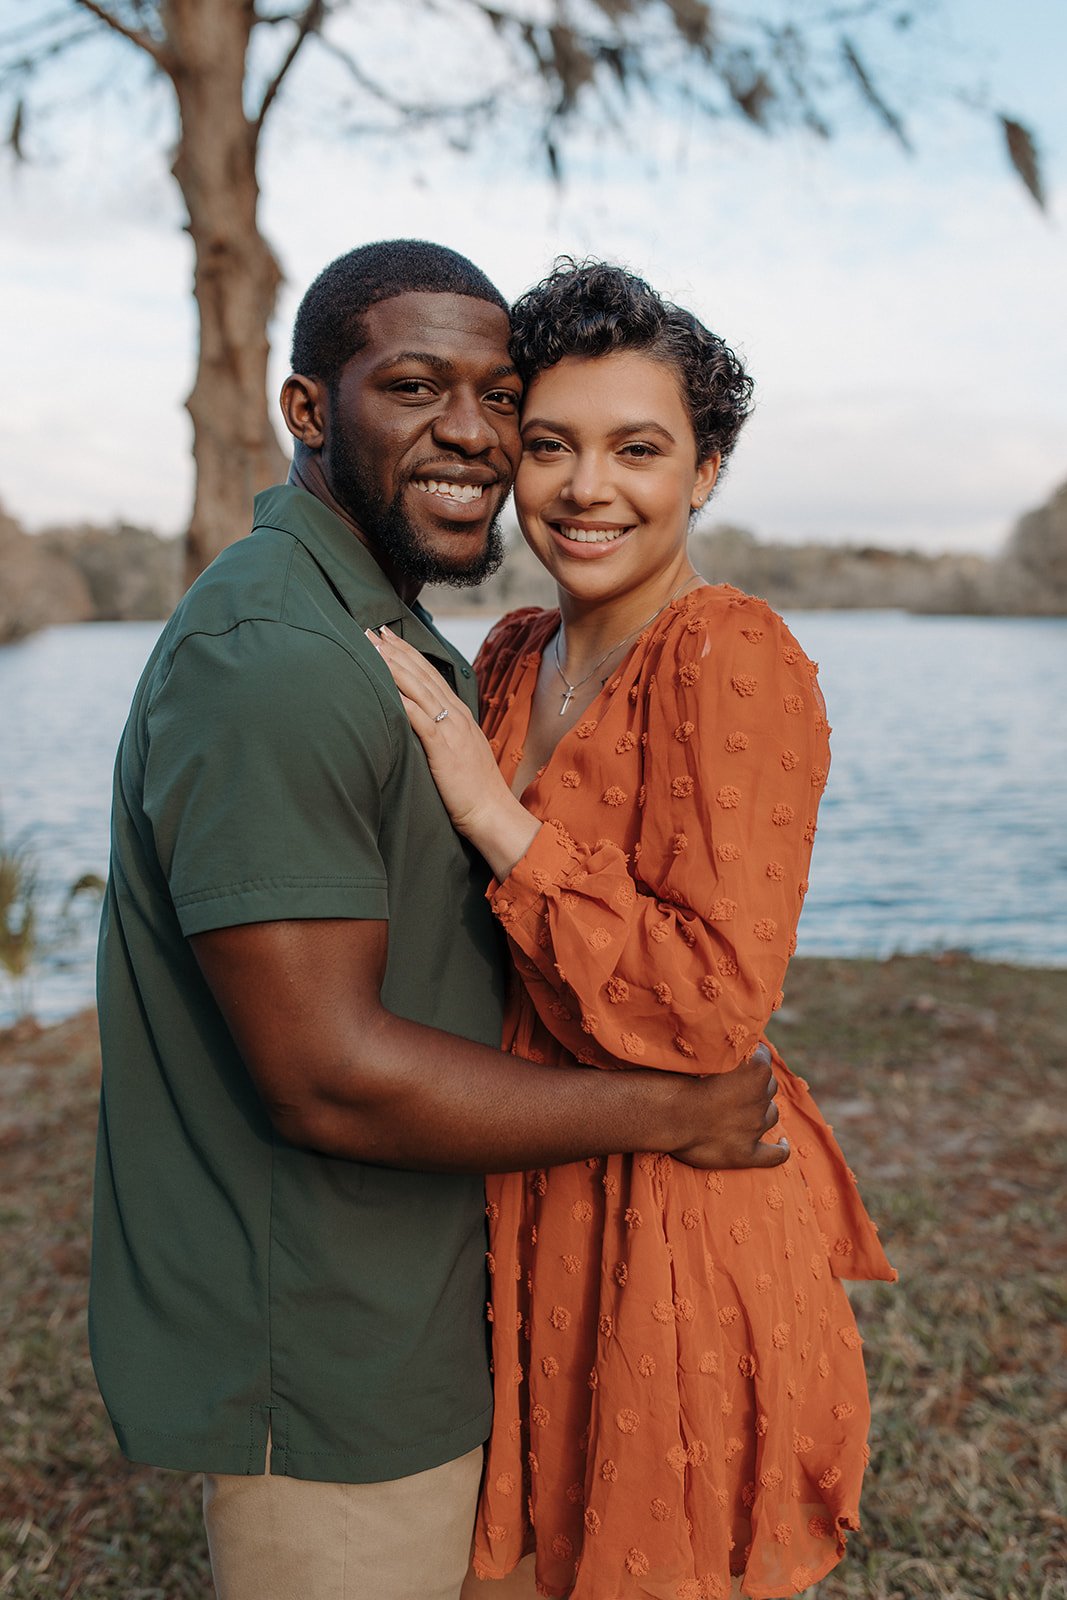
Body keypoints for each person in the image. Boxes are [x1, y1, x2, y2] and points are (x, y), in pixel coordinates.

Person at [89, 240, 790, 1600]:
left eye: (496, 396)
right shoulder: (277, 662)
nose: (471, 433)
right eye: (415, 387)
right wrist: (668, 1111)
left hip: (455, 1312)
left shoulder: (401, 638)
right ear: (308, 411)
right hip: (336, 1359)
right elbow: (327, 1078)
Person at [372, 258, 897, 1600]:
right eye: (550, 445)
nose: (585, 488)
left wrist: (501, 819)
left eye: (638, 448)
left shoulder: (730, 654)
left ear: (706, 468)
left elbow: (715, 1006)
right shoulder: (508, 655)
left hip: (674, 1206)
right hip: (528, 1168)